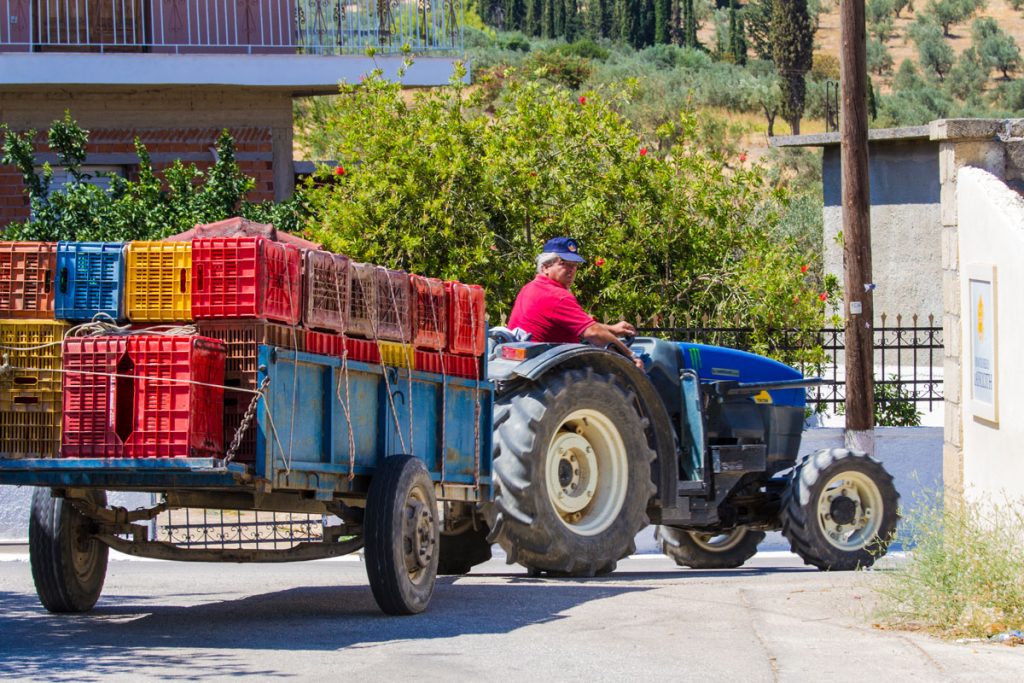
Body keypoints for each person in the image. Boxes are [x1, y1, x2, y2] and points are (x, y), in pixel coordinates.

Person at [508, 237, 643, 369]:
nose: (571, 270)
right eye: (564, 263)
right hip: (553, 369)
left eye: (574, 265)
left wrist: (612, 329)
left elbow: (579, 324)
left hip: (528, 361)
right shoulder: (557, 295)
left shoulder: (530, 288)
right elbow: (593, 333)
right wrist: (631, 356)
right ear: (545, 268)